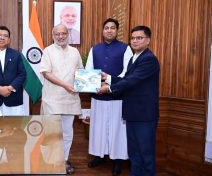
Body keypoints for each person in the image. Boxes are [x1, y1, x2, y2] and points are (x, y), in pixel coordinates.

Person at [98, 25, 160, 176]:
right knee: (134, 154)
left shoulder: (149, 59)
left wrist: (109, 88)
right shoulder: (134, 58)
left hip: (144, 116)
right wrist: (108, 78)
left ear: (148, 41)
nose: (135, 41)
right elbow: (127, 79)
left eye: (139, 38)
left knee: (145, 155)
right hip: (132, 114)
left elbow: (132, 81)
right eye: (132, 38)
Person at [85, 18, 133, 176]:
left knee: (116, 130)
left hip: (117, 97)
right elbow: (89, 69)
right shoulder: (95, 49)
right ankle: (100, 155)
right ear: (103, 30)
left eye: (113, 28)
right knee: (98, 129)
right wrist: (97, 86)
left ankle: (117, 160)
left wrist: (109, 85)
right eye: (107, 28)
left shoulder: (126, 49)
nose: (109, 30)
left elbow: (127, 73)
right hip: (98, 96)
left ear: (117, 30)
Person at [40, 24, 83, 174]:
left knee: (67, 131)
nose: (60, 36)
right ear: (53, 36)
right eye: (57, 34)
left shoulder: (75, 51)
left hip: (70, 98)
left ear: (68, 35)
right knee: (52, 132)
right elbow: (46, 73)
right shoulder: (48, 51)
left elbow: (80, 72)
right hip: (52, 98)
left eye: (63, 33)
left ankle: (64, 159)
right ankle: (51, 162)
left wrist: (89, 82)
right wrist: (66, 85)